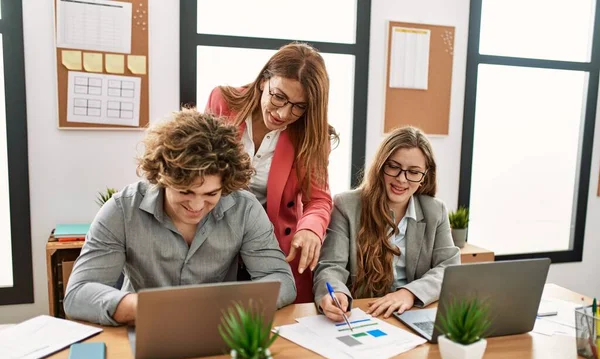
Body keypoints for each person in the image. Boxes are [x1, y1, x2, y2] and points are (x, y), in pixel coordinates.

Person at [64, 110, 297, 326]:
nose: (196, 206)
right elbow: (77, 294)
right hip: (143, 328)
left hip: (218, 329)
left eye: (211, 194)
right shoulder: (122, 209)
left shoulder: (244, 209)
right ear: (162, 178)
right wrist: (143, 308)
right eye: (185, 191)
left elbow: (281, 279)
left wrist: (233, 306)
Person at [205, 42, 337, 303]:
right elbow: (199, 169)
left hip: (273, 247)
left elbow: (319, 200)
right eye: (279, 96)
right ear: (264, 80)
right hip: (216, 238)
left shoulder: (311, 134)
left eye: (299, 106)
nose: (284, 113)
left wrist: (310, 229)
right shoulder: (222, 101)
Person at [312, 126, 460, 322]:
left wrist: (409, 293)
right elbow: (330, 267)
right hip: (363, 314)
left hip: (409, 314)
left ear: (424, 177)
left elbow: (448, 268)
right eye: (394, 166)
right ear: (381, 166)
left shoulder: (436, 211)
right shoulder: (346, 206)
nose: (401, 179)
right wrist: (334, 292)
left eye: (414, 172)